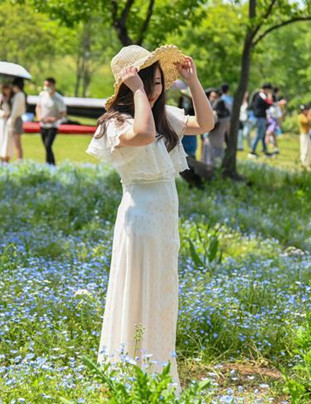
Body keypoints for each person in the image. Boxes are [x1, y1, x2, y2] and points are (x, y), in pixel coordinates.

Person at [86, 44, 214, 391]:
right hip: (139, 218)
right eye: (150, 81)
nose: (158, 89)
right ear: (131, 84)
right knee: (137, 290)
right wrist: (140, 92)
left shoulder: (164, 115)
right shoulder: (117, 123)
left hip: (164, 218)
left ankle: (155, 371)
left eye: (159, 82)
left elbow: (206, 122)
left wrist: (193, 82)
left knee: (161, 292)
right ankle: (129, 373)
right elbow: (141, 135)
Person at [36, 77, 67, 165]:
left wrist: (53, 119)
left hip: (53, 126)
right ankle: (48, 164)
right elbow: (38, 106)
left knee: (48, 145)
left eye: (48, 85)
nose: (46, 87)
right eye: (45, 85)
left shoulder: (58, 99)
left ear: (53, 86)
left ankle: (52, 164)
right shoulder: (42, 95)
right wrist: (39, 116)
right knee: (46, 147)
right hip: (43, 124)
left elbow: (63, 113)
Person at [248, 83, 273, 158]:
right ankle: (252, 150)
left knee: (263, 135)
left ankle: (265, 150)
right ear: (266, 89)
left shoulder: (261, 95)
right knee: (259, 134)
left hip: (261, 117)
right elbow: (268, 104)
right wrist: (270, 98)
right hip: (260, 117)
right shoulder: (261, 95)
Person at [8, 77, 27, 160]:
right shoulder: (18, 95)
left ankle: (19, 159)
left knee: (17, 142)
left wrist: (11, 120)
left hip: (16, 119)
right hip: (16, 118)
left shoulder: (19, 95)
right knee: (16, 142)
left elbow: (15, 110)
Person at [298, 105, 311, 169]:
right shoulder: (301, 116)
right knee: (304, 149)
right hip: (304, 135)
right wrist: (310, 114)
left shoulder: (308, 116)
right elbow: (307, 121)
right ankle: (304, 162)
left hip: (309, 134)